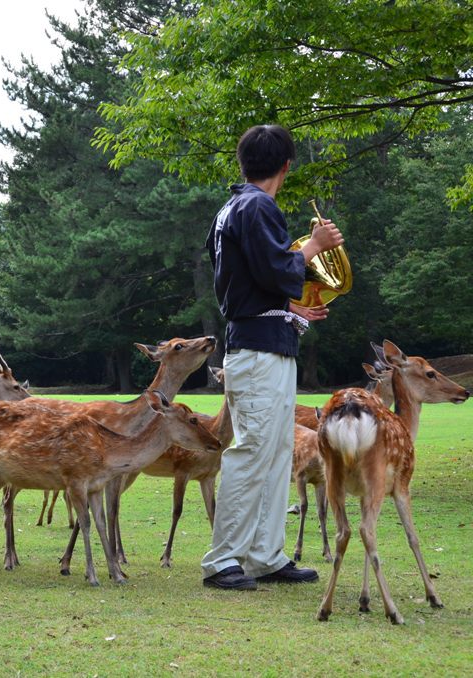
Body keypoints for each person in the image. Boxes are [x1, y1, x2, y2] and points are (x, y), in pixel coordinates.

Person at [201, 124, 344, 590]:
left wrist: (291, 309)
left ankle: (265, 555)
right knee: (252, 451)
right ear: (286, 166)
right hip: (259, 353)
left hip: (259, 342)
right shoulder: (259, 206)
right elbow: (275, 268)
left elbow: (246, 280)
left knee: (275, 451)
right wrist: (313, 247)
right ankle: (223, 560)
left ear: (244, 163)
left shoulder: (231, 208)